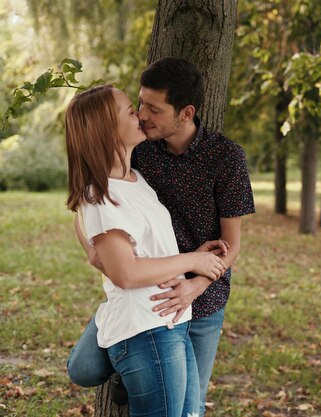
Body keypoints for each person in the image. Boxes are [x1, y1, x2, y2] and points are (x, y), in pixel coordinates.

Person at [67, 58, 255, 414]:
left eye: (153, 109)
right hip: (143, 294)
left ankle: (140, 366)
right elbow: (91, 196)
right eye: (138, 105)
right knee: (85, 368)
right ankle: (135, 362)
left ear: (185, 113)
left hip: (199, 295)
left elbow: (231, 246)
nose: (141, 115)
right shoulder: (140, 149)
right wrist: (96, 251)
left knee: (190, 408)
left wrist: (195, 282)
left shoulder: (225, 158)